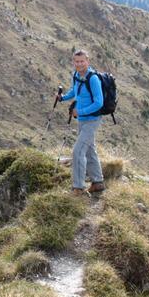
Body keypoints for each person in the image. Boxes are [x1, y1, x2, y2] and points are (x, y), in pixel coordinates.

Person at [59, 49, 105, 195]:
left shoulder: (93, 79)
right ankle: (98, 182)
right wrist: (63, 98)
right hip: (82, 121)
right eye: (77, 61)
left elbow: (99, 103)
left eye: (82, 61)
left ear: (87, 61)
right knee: (90, 150)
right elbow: (75, 91)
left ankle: (78, 187)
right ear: (74, 62)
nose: (79, 64)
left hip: (92, 120)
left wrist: (80, 112)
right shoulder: (77, 75)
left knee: (78, 151)